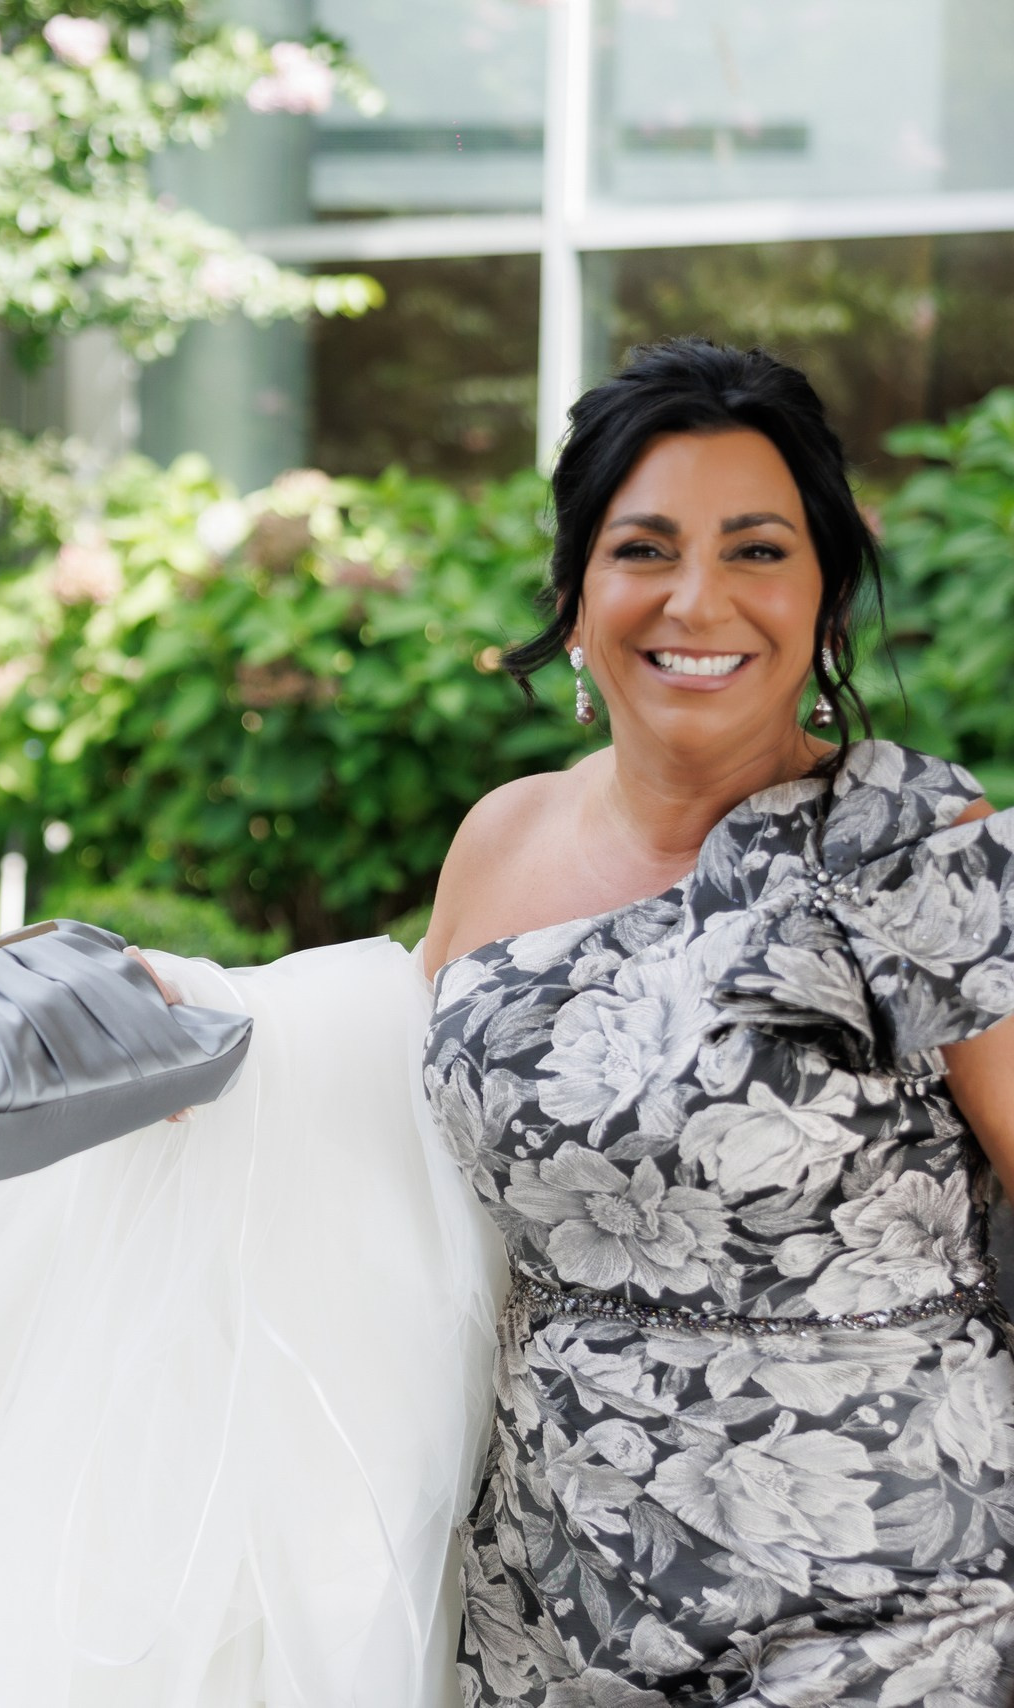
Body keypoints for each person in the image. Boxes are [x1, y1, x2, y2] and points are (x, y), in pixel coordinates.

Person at [423, 339, 1014, 1702]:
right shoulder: (501, 841)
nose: (699, 599)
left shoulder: (915, 841)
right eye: (644, 548)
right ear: (577, 592)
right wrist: (183, 1027)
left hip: (894, 1624)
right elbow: (380, 1117)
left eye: (758, 551)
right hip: (550, 1613)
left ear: (823, 598)